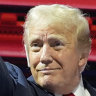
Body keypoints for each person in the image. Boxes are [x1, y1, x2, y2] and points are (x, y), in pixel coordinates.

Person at [0, 4, 96, 96]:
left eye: (57, 44)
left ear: (82, 55)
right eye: (36, 45)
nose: (44, 57)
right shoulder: (15, 89)